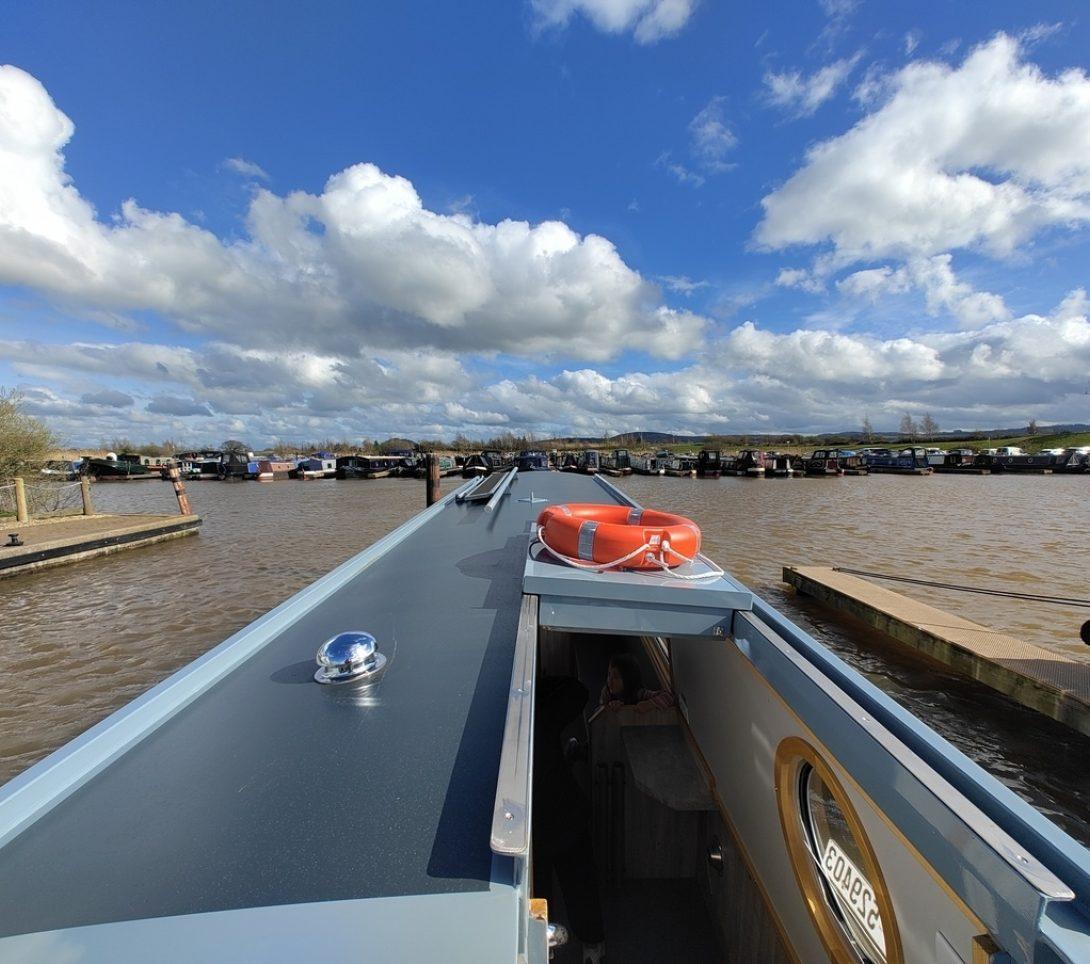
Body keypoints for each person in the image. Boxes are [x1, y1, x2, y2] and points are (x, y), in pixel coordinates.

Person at [533, 675, 606, 964]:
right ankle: (592, 946)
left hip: (528, 825)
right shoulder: (541, 716)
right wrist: (542, 684)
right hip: (562, 814)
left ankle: (540, 948)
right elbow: (579, 691)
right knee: (578, 884)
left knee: (536, 890)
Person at [599, 652, 674, 712]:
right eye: (609, 674)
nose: (610, 680)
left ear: (628, 679)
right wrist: (609, 707)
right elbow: (598, 714)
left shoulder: (639, 694)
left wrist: (649, 704)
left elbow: (668, 697)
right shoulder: (607, 694)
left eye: (616, 677)